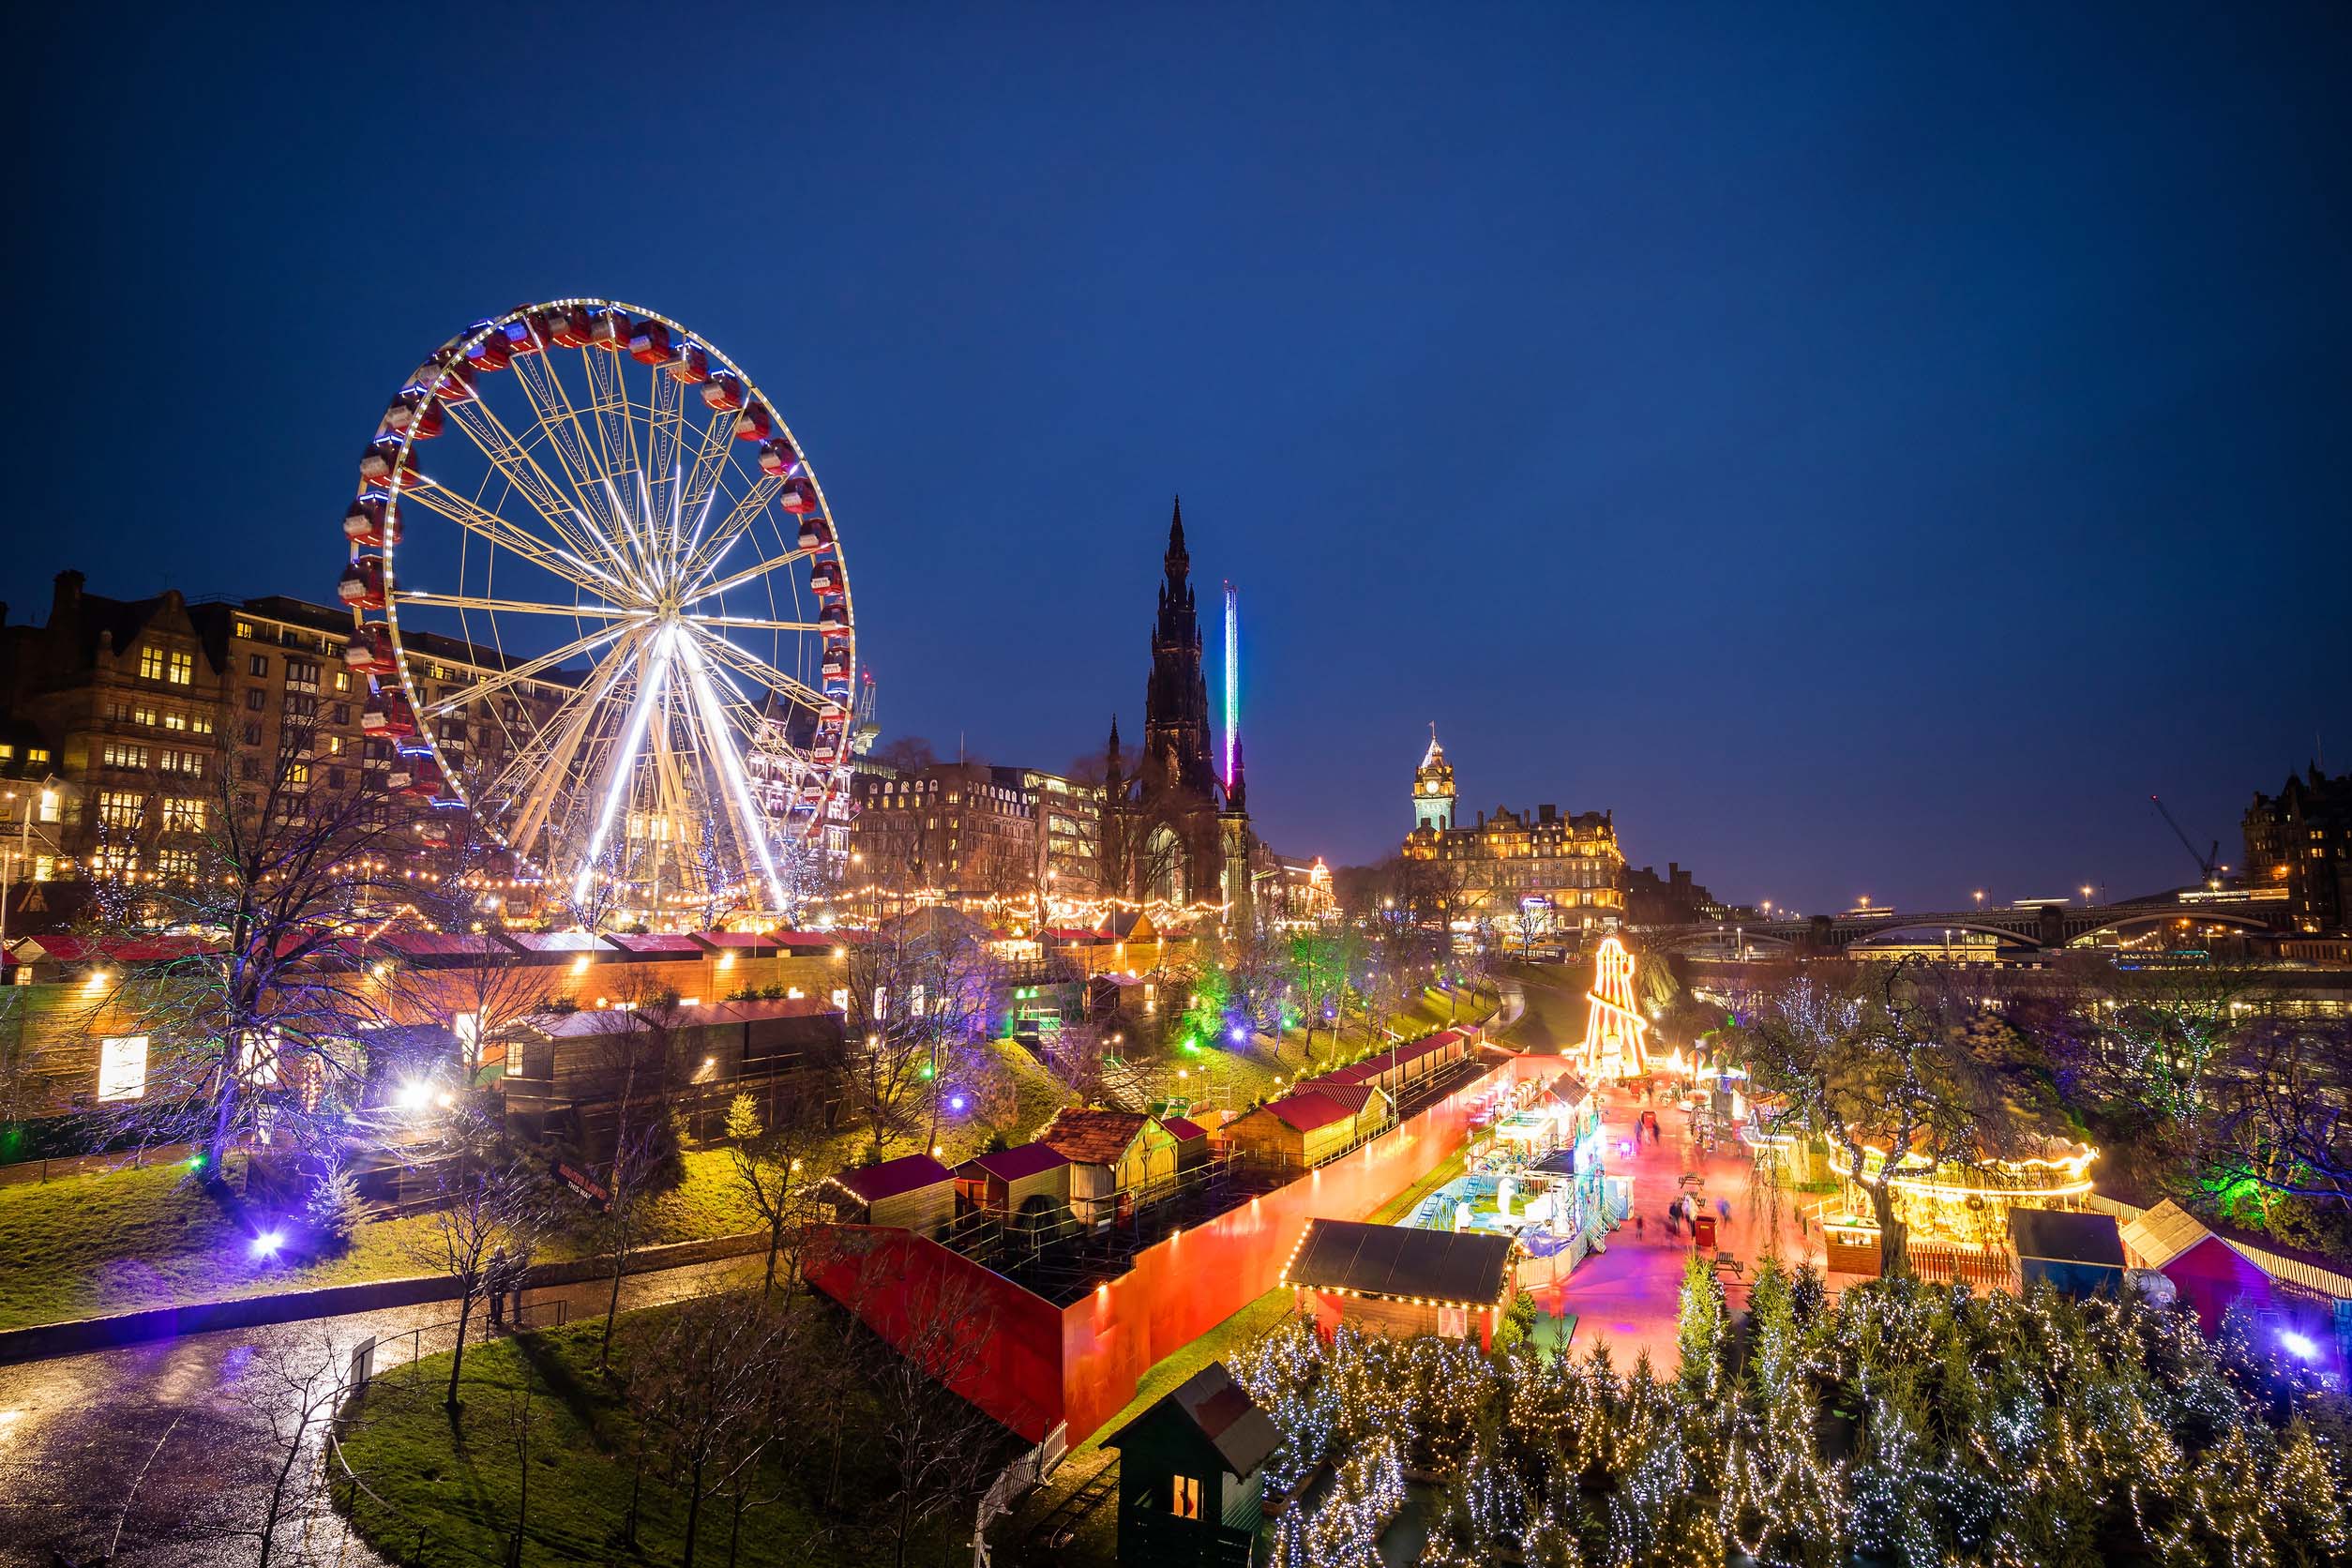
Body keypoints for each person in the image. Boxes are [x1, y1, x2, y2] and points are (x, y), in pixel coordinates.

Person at [486, 1246, 509, 1328]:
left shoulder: (504, 1262)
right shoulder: (492, 1261)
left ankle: (498, 1318)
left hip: (500, 1284)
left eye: (500, 1252)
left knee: (499, 1301)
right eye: (497, 1252)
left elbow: (505, 1274)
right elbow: (487, 1271)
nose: (499, 1253)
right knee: (492, 1300)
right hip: (491, 1284)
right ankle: (493, 1317)